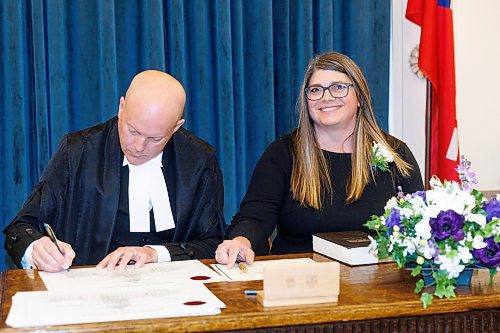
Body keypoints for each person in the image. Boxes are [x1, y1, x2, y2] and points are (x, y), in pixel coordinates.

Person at [215, 51, 424, 267]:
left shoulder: (395, 154)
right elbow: (255, 217)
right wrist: (241, 240)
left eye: (338, 87)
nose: (326, 97)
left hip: (378, 284)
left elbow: (419, 225)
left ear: (360, 97)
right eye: (316, 90)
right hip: (302, 285)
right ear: (306, 100)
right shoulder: (282, 154)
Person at [4, 70, 226, 272]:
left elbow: (211, 242)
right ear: (121, 107)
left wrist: (154, 254)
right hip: (89, 294)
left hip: (174, 297)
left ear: (177, 126)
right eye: (132, 130)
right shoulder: (78, 151)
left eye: (155, 138)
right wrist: (35, 247)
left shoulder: (199, 160)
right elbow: (21, 228)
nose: (139, 147)